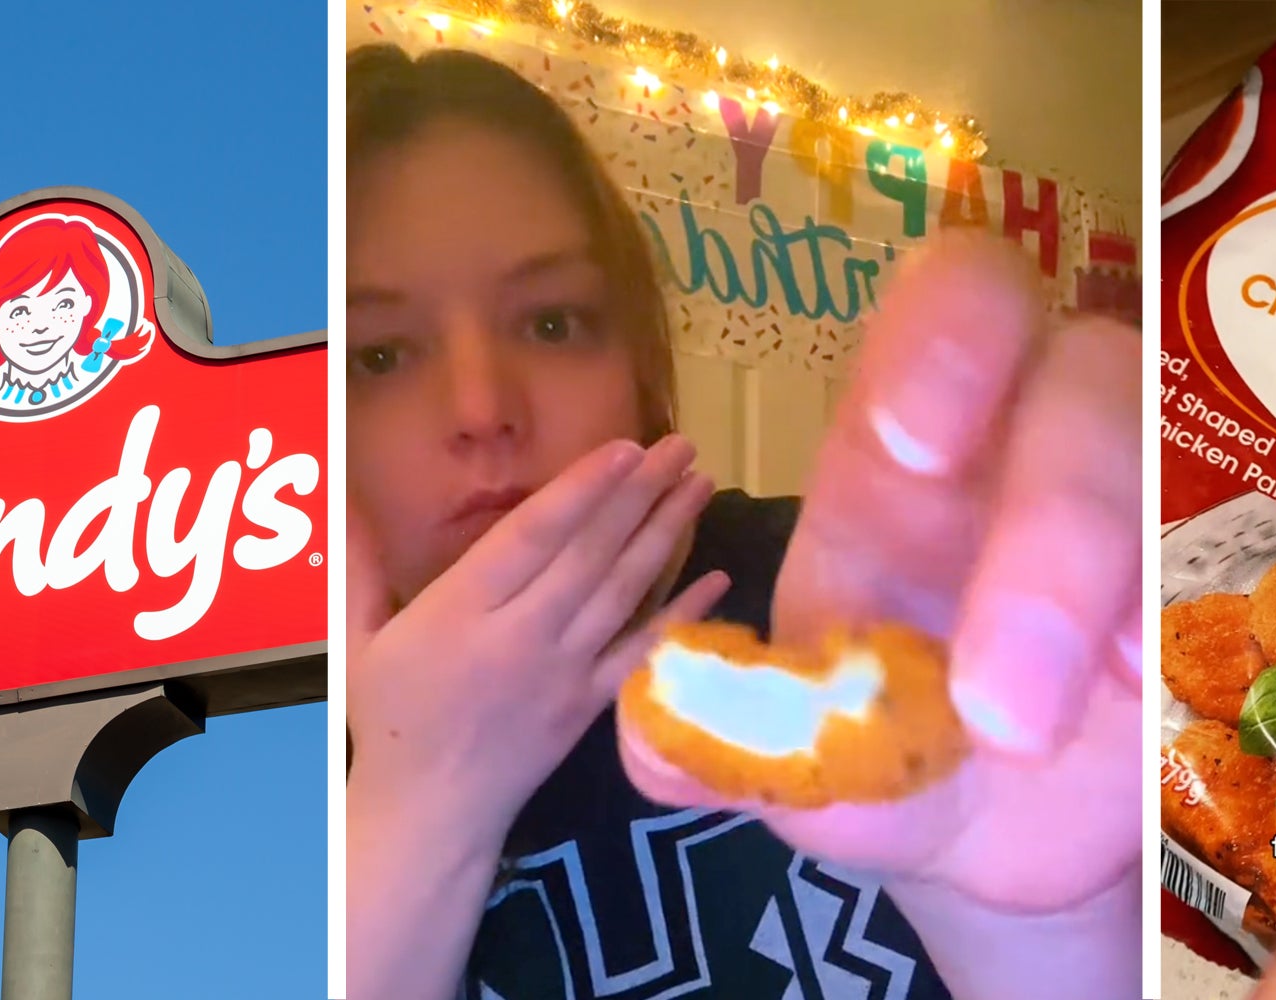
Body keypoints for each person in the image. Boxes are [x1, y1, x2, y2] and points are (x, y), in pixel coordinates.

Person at [346, 44, 1141, 1000]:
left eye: (552, 322)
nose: (482, 407)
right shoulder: (259, 781)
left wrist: (1054, 940)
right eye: (378, 356)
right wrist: (421, 804)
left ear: (639, 363)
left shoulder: (870, 620)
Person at [0, 216, 150, 402]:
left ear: (87, 305)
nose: (41, 326)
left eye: (63, 305)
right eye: (20, 311)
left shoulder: (110, 387)